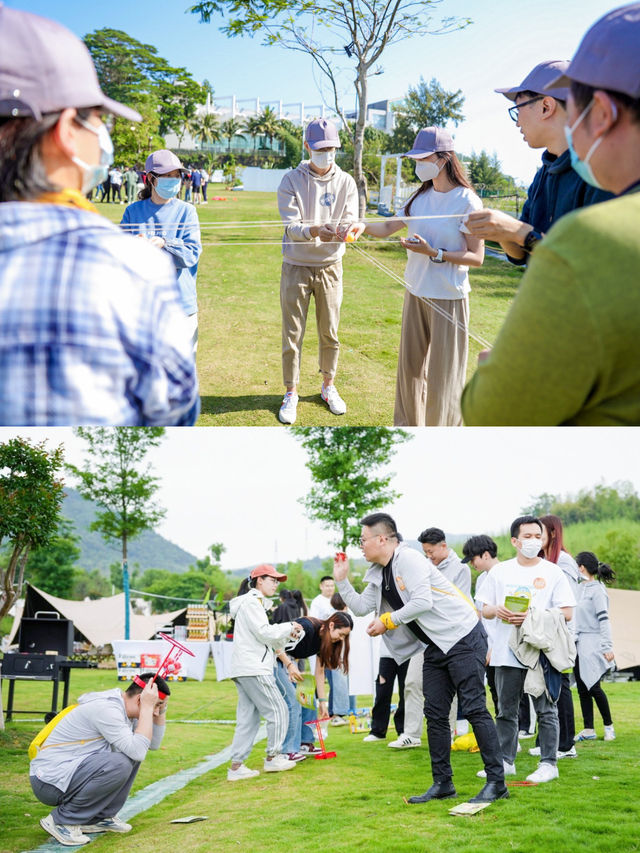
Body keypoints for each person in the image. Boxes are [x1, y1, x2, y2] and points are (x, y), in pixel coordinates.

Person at [0, 5, 198, 426]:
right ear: (67, 130)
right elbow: (176, 412)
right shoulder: (129, 268)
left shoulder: (177, 216)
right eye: (99, 120)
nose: (102, 138)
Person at [461, 3, 640, 425]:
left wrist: (503, 371)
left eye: (576, 107)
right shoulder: (547, 172)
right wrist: (510, 236)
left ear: (602, 113)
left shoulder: (596, 232)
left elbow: (492, 414)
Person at [334, 512, 506, 804]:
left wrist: (388, 621)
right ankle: (442, 783)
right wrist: (342, 581)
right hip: (435, 645)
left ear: (382, 538)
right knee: (435, 715)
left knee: (475, 708)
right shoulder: (378, 571)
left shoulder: (409, 559)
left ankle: (496, 782)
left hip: (463, 636)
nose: (361, 546)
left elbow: (422, 601)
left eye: (363, 540)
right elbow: (362, 607)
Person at [362, 127, 484, 426]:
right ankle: (405, 429)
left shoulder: (467, 202)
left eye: (423, 158)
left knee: (444, 380)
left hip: (449, 297)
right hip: (415, 292)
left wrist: (436, 253)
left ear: (443, 159)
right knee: (410, 372)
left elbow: (477, 257)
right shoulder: (420, 198)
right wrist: (353, 225)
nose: (418, 165)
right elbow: (387, 227)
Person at [465, 60, 612, 264]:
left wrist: (519, 232)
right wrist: (501, 232)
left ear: (546, 107)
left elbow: (586, 261)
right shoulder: (544, 173)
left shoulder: (601, 173)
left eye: (518, 110)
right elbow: (522, 254)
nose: (517, 122)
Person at [475, 515, 576, 784]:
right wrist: (498, 610)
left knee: (546, 708)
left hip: (540, 651)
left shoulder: (552, 571)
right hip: (505, 652)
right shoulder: (500, 571)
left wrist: (532, 616)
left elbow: (567, 612)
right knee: (506, 710)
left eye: (537, 536)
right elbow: (483, 608)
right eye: (527, 537)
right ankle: (506, 761)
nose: (533, 541)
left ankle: (549, 763)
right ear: (514, 541)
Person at [276, 118, 362, 424]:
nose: (327, 153)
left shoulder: (347, 182)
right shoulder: (290, 180)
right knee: (292, 333)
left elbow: (350, 217)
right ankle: (291, 391)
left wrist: (349, 229)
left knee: (330, 332)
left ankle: (328, 386)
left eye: (332, 148)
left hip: (330, 266)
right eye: (321, 148)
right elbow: (291, 225)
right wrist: (314, 230)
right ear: (308, 147)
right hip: (297, 266)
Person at [29, 672, 169, 847]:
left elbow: (152, 744)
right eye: (157, 706)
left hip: (68, 774)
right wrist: (148, 708)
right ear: (141, 700)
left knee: (131, 752)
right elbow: (139, 751)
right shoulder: (107, 709)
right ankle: (61, 821)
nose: (156, 712)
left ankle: (98, 818)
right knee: (120, 762)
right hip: (49, 782)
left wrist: (159, 709)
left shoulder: (125, 708)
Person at [121, 149, 202, 355]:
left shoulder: (187, 211)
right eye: (167, 176)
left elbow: (191, 254)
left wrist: (164, 243)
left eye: (176, 176)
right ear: (151, 179)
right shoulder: (133, 211)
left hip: (180, 308)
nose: (173, 180)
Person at [227, 564, 302, 781]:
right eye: (272, 580)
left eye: (277, 581)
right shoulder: (252, 603)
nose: (276, 585)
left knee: (248, 719)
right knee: (278, 710)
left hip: (246, 667)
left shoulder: (253, 603)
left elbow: (265, 637)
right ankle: (273, 758)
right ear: (259, 580)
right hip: (253, 667)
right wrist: (289, 627)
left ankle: (236, 767)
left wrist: (289, 633)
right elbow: (264, 633)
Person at [529, 515, 581, 758]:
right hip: (544, 631)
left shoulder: (564, 562)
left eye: (539, 534)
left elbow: (568, 603)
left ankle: (566, 744)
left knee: (560, 687)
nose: (536, 539)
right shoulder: (544, 561)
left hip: (560, 633)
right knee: (546, 687)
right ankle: (547, 740)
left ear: (551, 532)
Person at [274, 611, 353, 760]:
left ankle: (305, 743)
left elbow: (320, 671)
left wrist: (323, 702)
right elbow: (276, 645)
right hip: (275, 660)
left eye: (344, 637)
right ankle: (288, 750)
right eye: (341, 634)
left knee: (309, 700)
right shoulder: (307, 628)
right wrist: (290, 665)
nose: (340, 639)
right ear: (331, 625)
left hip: (290, 662)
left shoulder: (325, 641)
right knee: (293, 702)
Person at [573, 551, 616, 742]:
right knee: (582, 687)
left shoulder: (598, 590)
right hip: (577, 641)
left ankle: (609, 727)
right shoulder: (578, 588)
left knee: (594, 687)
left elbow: (604, 620)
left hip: (593, 641)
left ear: (581, 567)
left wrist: (607, 646)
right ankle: (588, 729)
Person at [461, 534, 501, 716]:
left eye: (473, 559)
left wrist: (496, 647)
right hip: (486, 644)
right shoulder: (482, 580)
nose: (472, 564)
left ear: (485, 555)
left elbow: (505, 616)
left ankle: (519, 733)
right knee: (494, 690)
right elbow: (480, 615)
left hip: (503, 645)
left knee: (508, 693)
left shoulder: (504, 575)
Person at [418, 527, 472, 597]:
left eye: (430, 552)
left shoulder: (461, 568)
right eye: (425, 552)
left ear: (443, 546)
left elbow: (461, 600)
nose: (428, 556)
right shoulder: (425, 565)